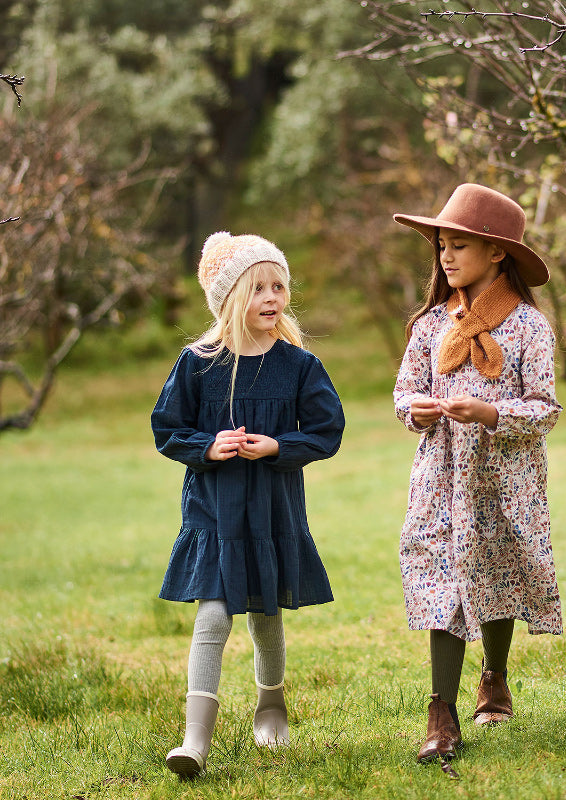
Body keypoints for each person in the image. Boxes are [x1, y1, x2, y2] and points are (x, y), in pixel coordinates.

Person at [151, 232, 345, 778]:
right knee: (212, 619)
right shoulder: (198, 363)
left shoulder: (298, 365)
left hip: (271, 513)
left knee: (265, 615)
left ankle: (271, 705)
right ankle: (194, 740)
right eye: (258, 286)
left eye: (279, 285)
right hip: (215, 515)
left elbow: (328, 430)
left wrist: (280, 446)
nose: (272, 297)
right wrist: (208, 446)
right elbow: (168, 429)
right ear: (231, 295)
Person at [392, 183, 563, 762]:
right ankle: (442, 714)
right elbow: (405, 390)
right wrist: (414, 409)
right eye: (441, 244)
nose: (445, 255)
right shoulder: (430, 325)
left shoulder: (528, 329)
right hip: (441, 478)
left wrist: (492, 412)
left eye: (458, 244)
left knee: (496, 572)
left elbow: (544, 409)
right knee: (442, 575)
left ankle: (494, 672)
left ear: (496, 252)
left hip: (502, 479)